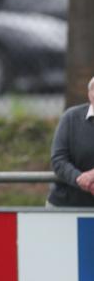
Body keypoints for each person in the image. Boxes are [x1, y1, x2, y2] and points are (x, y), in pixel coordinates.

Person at [47, 76, 94, 207]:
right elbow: (58, 159)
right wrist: (80, 179)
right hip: (65, 204)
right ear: (89, 94)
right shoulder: (71, 117)